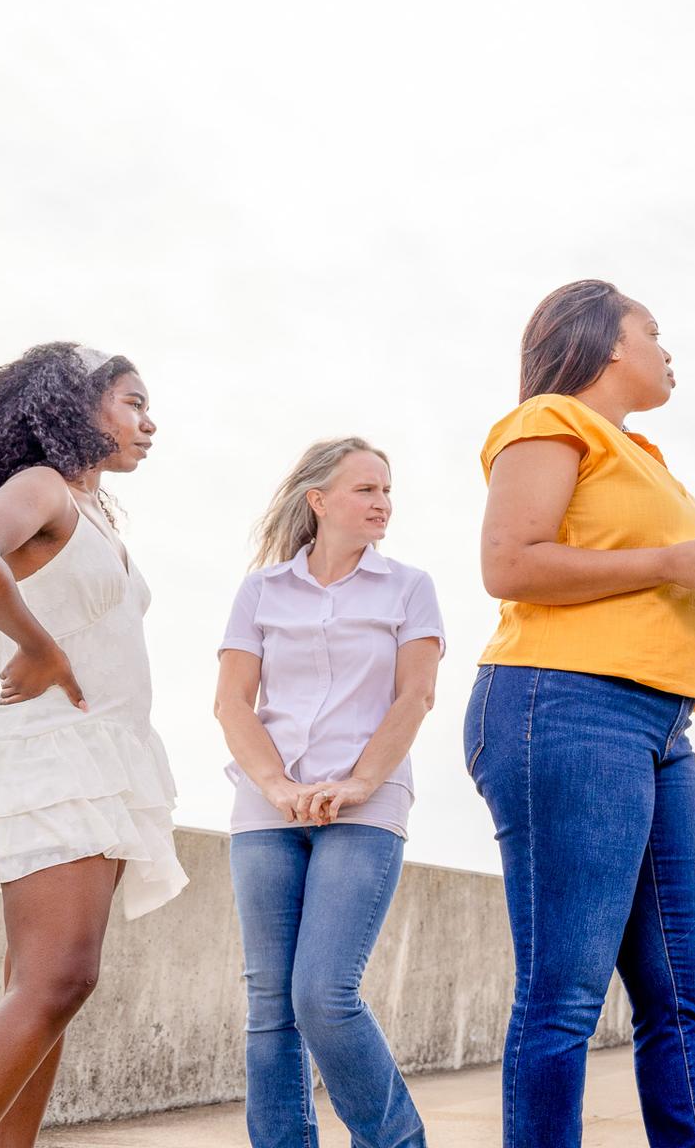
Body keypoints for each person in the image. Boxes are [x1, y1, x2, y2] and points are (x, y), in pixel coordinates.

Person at [466, 279, 695, 1147]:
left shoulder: (648, 458)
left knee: (683, 990)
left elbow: (653, 603)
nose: (668, 349)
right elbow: (510, 565)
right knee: (566, 992)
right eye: (654, 333)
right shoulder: (549, 421)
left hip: (661, 725)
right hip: (563, 705)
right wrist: (672, 558)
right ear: (609, 344)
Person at [0, 343, 187, 1147]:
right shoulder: (42, 486)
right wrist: (37, 647)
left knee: (42, 990)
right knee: (58, 980)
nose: (150, 422)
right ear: (79, 407)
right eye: (133, 403)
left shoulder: (94, 509)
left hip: (100, 756)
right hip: (54, 751)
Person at [214, 437, 443, 1147]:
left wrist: (359, 781)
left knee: (322, 994)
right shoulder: (261, 590)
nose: (383, 503)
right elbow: (232, 704)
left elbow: (416, 695)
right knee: (269, 1007)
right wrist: (279, 785)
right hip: (266, 811)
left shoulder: (409, 587)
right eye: (366, 489)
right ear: (319, 501)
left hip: (366, 809)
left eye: (386, 490)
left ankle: (396, 1141)